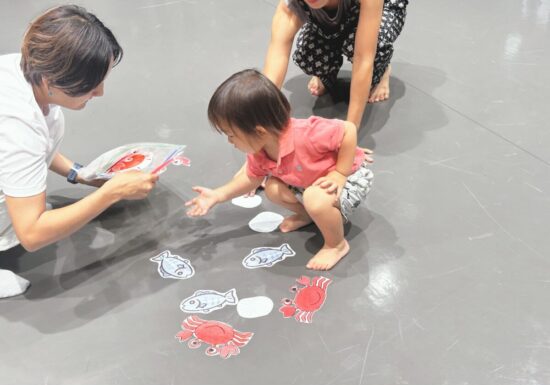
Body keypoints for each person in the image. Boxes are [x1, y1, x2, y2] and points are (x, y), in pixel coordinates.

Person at [0, 5, 158, 298]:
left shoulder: (22, 67)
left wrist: (81, 174)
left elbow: (32, 151)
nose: (100, 92)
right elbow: (32, 233)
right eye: (91, 85)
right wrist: (111, 193)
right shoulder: (18, 126)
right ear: (52, 80)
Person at [186, 69, 373, 271]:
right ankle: (308, 215)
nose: (230, 142)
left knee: (315, 199)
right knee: (273, 189)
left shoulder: (307, 133)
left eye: (231, 135)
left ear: (259, 131)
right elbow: (251, 178)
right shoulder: (260, 150)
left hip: (348, 179)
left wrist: (339, 173)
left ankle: (336, 245)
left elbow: (348, 130)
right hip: (310, 181)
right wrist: (217, 195)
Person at [264, 0, 408, 129]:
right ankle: (327, 74)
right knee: (308, 54)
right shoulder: (290, 4)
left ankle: (383, 69)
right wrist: (261, 114)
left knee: (371, 48)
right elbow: (278, 53)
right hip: (336, 15)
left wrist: (351, 128)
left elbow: (363, 58)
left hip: (381, 7)